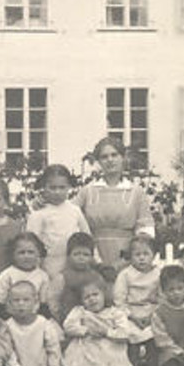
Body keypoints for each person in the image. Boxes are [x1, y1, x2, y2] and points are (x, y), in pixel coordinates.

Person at [75, 137, 155, 269]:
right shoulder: (87, 191)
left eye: (114, 155)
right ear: (99, 162)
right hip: (92, 258)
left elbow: (145, 230)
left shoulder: (136, 192)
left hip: (128, 260)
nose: (110, 160)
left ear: (123, 158)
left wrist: (126, 261)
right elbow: (69, 216)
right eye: (104, 157)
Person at [112, 233, 161, 366]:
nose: (141, 258)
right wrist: (132, 316)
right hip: (131, 315)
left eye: (146, 254)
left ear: (153, 255)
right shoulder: (125, 275)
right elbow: (119, 300)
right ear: (130, 257)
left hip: (152, 314)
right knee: (132, 348)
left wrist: (151, 316)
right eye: (137, 254)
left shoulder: (158, 274)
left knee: (153, 347)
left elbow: (162, 298)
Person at [27, 164, 90, 279]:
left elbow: (87, 237)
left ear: (68, 187)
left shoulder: (74, 210)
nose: (57, 192)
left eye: (62, 187)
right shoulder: (39, 213)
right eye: (52, 187)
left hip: (73, 265)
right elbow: (31, 243)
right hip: (48, 265)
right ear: (44, 187)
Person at [0, 232, 52, 320]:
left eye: (31, 252)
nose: (26, 256)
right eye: (21, 252)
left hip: (34, 320)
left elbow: (43, 305)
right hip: (10, 318)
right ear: (13, 255)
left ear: (39, 253)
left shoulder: (43, 276)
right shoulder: (7, 275)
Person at [48, 232, 104, 323]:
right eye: (77, 254)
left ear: (92, 257)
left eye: (86, 255)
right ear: (68, 256)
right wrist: (60, 318)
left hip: (93, 319)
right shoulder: (62, 277)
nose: (81, 258)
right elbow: (53, 300)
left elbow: (102, 297)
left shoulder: (96, 276)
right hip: (68, 319)